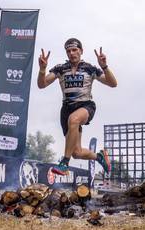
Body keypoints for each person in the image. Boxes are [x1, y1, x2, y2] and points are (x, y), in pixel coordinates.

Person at [37, 38, 117, 175]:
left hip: (86, 106)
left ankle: (64, 163)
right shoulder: (60, 69)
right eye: (68, 51)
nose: (72, 53)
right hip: (67, 109)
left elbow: (113, 83)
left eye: (75, 50)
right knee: (76, 152)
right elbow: (42, 84)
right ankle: (99, 157)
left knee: (74, 119)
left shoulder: (90, 68)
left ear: (81, 51)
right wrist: (43, 69)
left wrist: (104, 66)